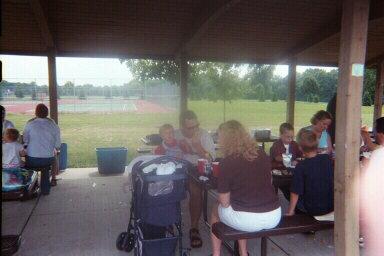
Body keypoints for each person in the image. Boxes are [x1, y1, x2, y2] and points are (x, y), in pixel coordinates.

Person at [210, 120, 281, 256]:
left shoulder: (227, 162)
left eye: (219, 137)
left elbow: (224, 202)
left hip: (246, 220)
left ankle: (216, 254)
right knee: (239, 206)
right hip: (274, 215)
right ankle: (243, 253)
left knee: (215, 208)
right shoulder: (262, 154)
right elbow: (269, 181)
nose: (218, 140)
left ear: (226, 139)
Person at [174, 110, 215, 248]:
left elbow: (211, 159)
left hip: (197, 170)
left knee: (196, 190)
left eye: (196, 125)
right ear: (182, 127)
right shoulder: (175, 134)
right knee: (163, 187)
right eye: (191, 127)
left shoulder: (204, 135)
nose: (195, 129)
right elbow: (162, 150)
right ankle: (165, 224)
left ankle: (194, 228)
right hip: (177, 169)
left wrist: (198, 147)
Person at [287, 130, 334, 216]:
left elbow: (295, 192)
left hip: (312, 208)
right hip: (330, 206)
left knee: (289, 191)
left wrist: (290, 211)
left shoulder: (301, 166)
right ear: (317, 145)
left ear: (300, 148)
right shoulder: (326, 159)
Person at [23, 103, 61, 195]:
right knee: (46, 167)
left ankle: (31, 186)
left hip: (32, 159)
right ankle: (45, 190)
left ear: (36, 113)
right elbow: (57, 145)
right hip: (47, 159)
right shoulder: (54, 125)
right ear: (47, 113)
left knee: (29, 164)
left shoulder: (29, 124)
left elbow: (25, 141)